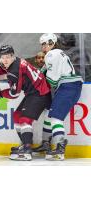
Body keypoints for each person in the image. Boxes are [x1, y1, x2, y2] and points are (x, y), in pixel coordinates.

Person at [0, 45, 52, 161]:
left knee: (24, 120)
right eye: (3, 57)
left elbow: (14, 94)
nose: (5, 59)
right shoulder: (12, 63)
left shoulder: (14, 71)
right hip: (34, 92)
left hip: (40, 93)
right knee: (16, 116)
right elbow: (1, 67)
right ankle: (25, 144)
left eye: (8, 57)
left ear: (13, 56)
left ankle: (27, 150)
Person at [34, 33, 83, 161]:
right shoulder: (58, 53)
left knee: (55, 118)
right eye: (42, 44)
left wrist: (38, 85)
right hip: (70, 86)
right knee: (48, 115)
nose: (43, 47)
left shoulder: (51, 54)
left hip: (67, 87)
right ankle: (46, 143)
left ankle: (60, 149)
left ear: (51, 43)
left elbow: (52, 81)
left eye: (44, 44)